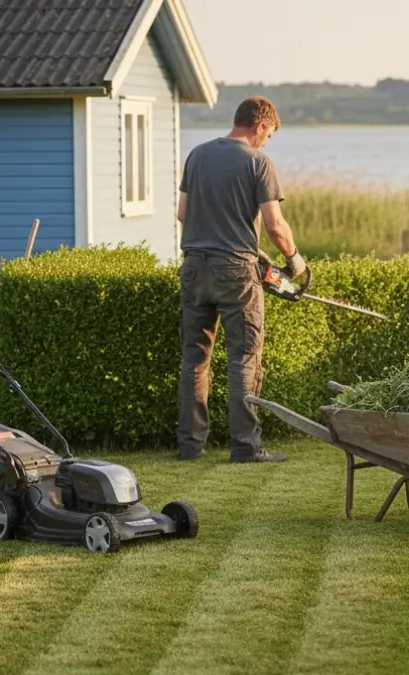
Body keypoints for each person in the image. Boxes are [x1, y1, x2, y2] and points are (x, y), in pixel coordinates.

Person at [176, 96, 302, 463]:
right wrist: (294, 261)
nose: (267, 141)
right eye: (269, 134)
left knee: (194, 359)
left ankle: (190, 446)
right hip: (235, 273)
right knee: (244, 358)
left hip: (195, 266)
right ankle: (246, 447)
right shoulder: (258, 162)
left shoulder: (197, 155)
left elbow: (182, 213)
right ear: (260, 126)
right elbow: (276, 225)